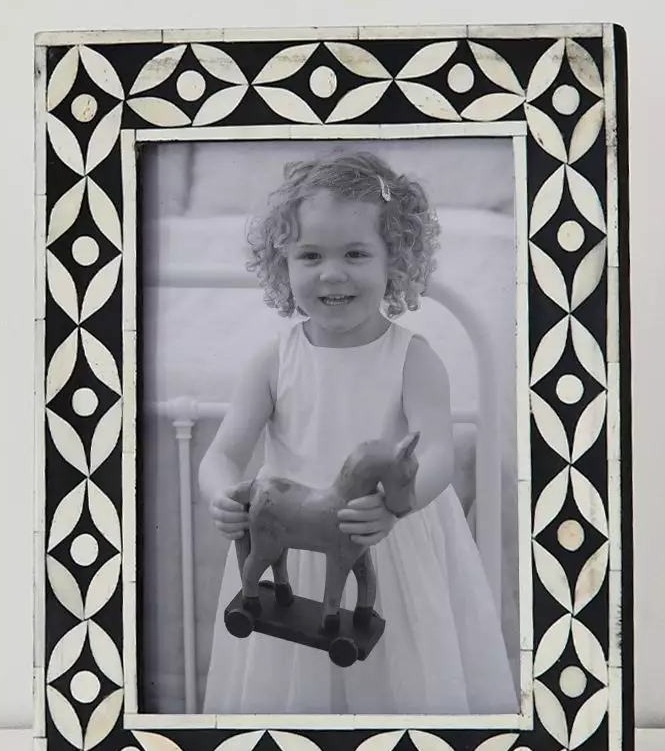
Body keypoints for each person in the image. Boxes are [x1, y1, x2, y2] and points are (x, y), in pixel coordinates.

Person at [198, 150, 517, 715]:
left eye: (355, 253)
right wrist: (221, 493)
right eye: (310, 255)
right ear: (283, 264)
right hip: (292, 543)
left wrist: (398, 505)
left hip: (387, 537)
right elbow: (223, 453)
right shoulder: (272, 360)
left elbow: (437, 452)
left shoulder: (414, 359)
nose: (331, 273)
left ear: (396, 259)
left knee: (403, 680)